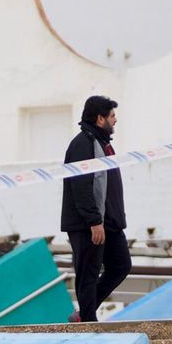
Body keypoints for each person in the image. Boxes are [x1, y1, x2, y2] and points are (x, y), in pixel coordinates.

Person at [62, 95, 131, 323]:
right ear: (100, 118)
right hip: (89, 226)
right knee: (88, 275)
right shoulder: (83, 144)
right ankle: (88, 323)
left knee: (121, 265)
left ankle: (84, 313)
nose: (115, 120)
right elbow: (80, 187)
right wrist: (94, 222)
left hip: (108, 223)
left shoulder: (102, 143)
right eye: (112, 116)